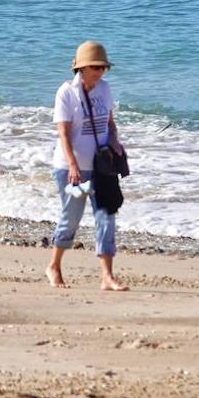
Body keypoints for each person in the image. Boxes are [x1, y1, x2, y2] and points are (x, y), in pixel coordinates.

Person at [46, 40, 128, 292]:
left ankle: (107, 276)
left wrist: (115, 141)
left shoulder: (105, 89)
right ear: (81, 68)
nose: (100, 71)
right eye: (95, 67)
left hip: (101, 167)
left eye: (103, 67)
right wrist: (72, 165)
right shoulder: (66, 93)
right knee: (71, 218)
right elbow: (63, 133)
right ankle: (54, 265)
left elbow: (109, 123)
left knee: (106, 216)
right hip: (71, 168)